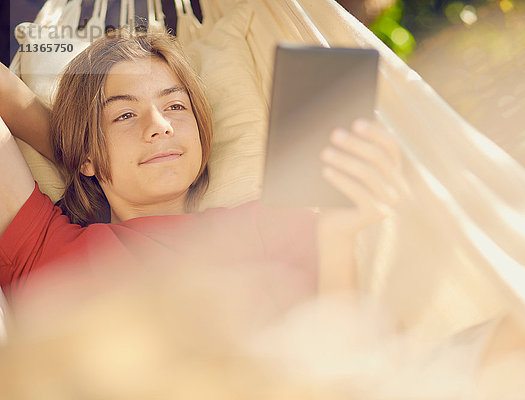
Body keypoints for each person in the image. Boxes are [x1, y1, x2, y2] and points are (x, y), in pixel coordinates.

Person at [0, 28, 403, 302]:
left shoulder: (271, 225)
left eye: (175, 106)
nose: (159, 126)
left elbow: (340, 362)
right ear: (85, 154)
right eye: (124, 115)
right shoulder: (43, 247)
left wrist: (338, 237)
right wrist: (74, 150)